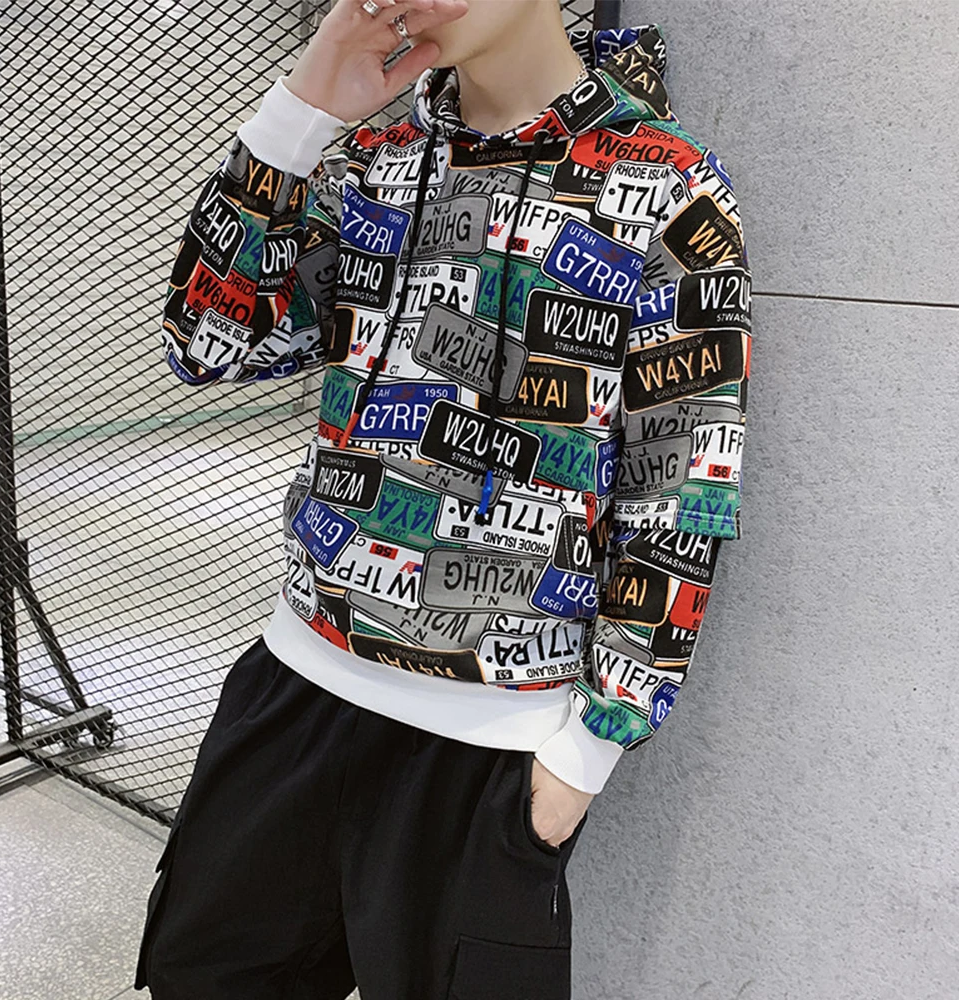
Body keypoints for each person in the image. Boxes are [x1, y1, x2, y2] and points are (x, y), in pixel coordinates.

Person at [135, 0, 752, 997]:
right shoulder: (371, 160)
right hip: (296, 688)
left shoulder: (668, 187)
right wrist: (302, 107)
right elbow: (210, 343)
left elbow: (679, 488)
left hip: (492, 749)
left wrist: (586, 754)